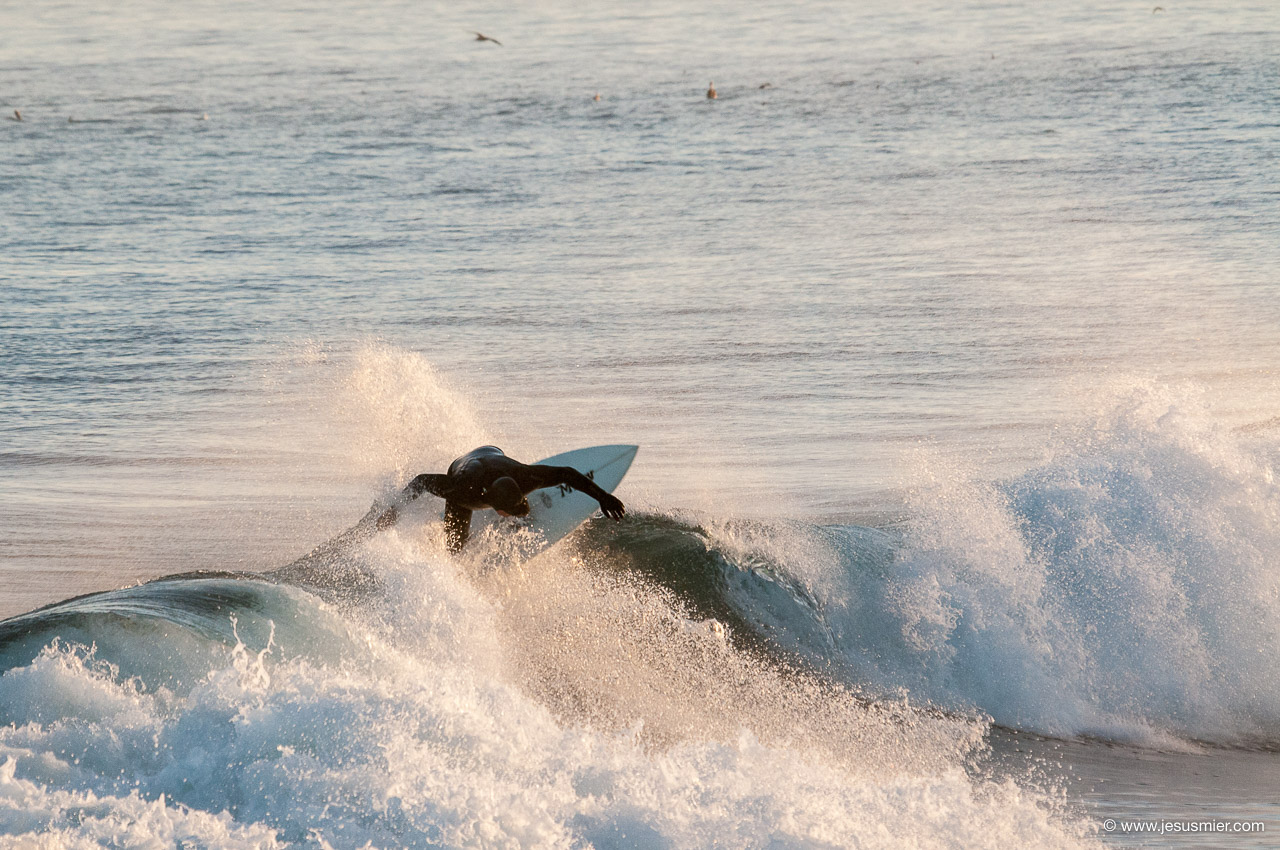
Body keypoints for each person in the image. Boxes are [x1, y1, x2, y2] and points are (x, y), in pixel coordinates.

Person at [374, 446, 626, 552]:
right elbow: (420, 481)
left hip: (491, 452)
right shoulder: (462, 493)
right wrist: (395, 510)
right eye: (513, 510)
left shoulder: (526, 477)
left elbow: (566, 474)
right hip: (464, 470)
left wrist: (602, 497)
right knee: (456, 547)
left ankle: (515, 519)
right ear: (495, 508)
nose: (521, 509)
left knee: (522, 503)